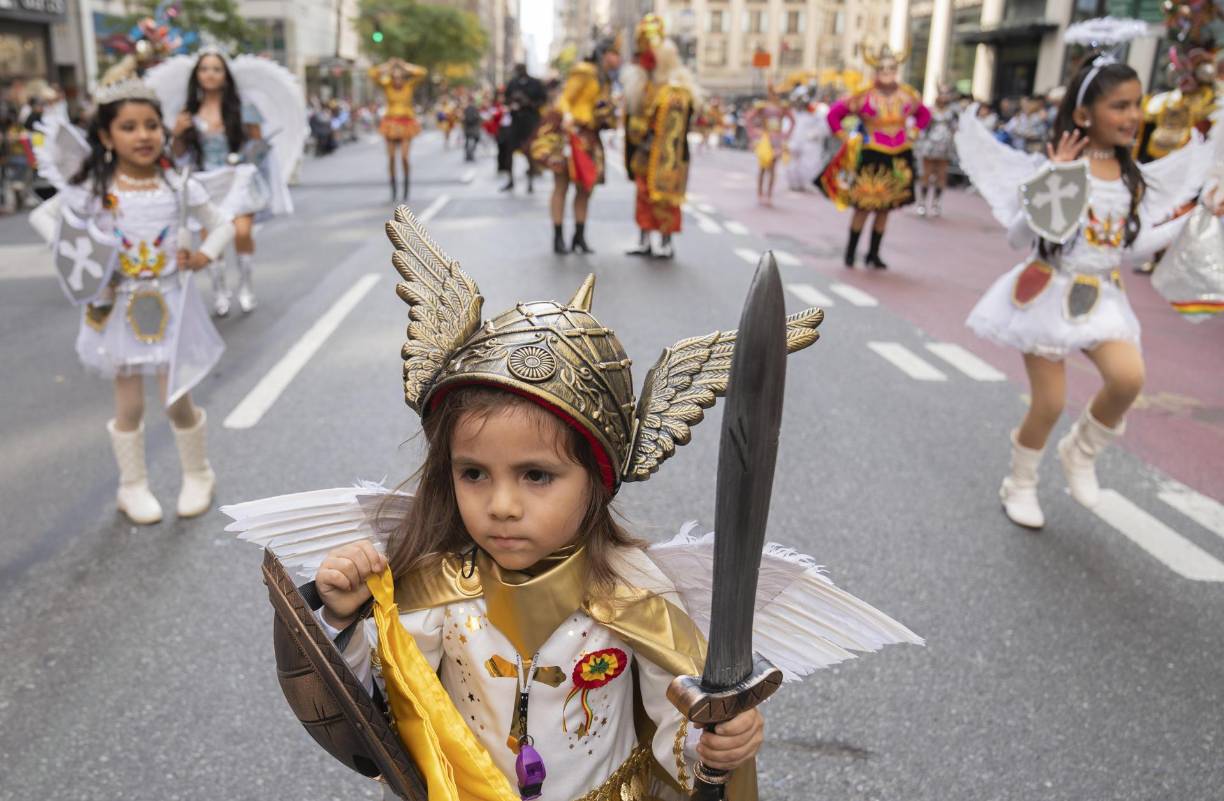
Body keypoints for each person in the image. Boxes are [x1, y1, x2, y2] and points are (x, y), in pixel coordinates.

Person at [224, 208, 922, 801]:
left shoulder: (638, 597)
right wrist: (345, 615)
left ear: (597, 479)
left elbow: (680, 737)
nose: (500, 505)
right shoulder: (438, 589)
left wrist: (717, 743)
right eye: (473, 473)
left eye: (536, 475)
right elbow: (378, 707)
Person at [954, 55, 1220, 529]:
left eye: (1137, 104)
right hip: (1044, 295)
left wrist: (1191, 218)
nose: (1134, 116)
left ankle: (1080, 451)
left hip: (1103, 296)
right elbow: (1018, 238)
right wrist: (1051, 181)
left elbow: (1131, 249)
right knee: (1050, 402)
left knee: (1128, 378)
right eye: (1120, 106)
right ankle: (1021, 483)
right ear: (1084, 115)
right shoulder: (1055, 165)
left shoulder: (1131, 176)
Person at [30, 62, 234, 525]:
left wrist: (202, 256)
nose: (142, 135)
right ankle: (132, 485)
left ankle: (198, 472)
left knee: (175, 396)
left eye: (150, 125)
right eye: (128, 127)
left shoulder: (179, 185)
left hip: (171, 303)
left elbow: (220, 224)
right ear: (106, 137)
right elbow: (48, 219)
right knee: (130, 402)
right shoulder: (94, 188)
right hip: (118, 307)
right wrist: (87, 259)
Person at [165, 50, 268, 316]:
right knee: (212, 238)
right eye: (204, 69)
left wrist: (245, 156)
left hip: (237, 180)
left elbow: (259, 145)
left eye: (216, 69)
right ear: (197, 75)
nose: (210, 74)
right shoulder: (187, 113)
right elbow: (177, 154)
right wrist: (176, 132)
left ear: (225, 75)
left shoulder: (244, 109)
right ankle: (220, 291)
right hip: (205, 182)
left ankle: (246, 286)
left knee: (242, 232)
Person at [818, 43, 930, 269]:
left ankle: (873, 254)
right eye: (883, 69)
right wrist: (846, 138)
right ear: (875, 71)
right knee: (864, 205)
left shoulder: (907, 95)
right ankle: (851, 253)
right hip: (871, 155)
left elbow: (924, 114)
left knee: (886, 207)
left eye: (891, 69)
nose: (887, 74)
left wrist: (914, 131)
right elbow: (834, 115)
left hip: (898, 156)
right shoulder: (863, 96)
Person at [530, 35, 620, 254]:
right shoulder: (584, 71)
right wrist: (567, 118)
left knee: (585, 188)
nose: (618, 58)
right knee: (561, 185)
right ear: (604, 53)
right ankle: (558, 237)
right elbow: (565, 98)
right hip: (571, 134)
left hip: (590, 136)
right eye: (614, 53)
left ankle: (579, 237)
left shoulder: (606, 79)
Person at [623, 18, 700, 259]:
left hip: (669, 155)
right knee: (643, 195)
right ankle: (644, 239)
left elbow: (679, 124)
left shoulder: (677, 89)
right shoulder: (643, 85)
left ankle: (666, 241)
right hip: (645, 152)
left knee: (667, 198)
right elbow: (635, 119)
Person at [369, 58, 426, 201]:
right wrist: (388, 65)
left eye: (400, 77)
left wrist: (405, 66)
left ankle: (406, 185)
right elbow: (372, 73)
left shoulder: (409, 86)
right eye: (394, 76)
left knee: (405, 157)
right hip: (390, 123)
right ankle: (393, 187)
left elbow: (422, 72)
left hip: (406, 123)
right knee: (392, 157)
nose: (397, 80)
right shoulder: (387, 86)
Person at [744, 86, 794, 206]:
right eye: (772, 93)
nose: (774, 96)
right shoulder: (762, 106)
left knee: (773, 168)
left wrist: (786, 135)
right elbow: (749, 118)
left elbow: (793, 121)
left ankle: (769, 195)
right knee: (762, 167)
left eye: (776, 93)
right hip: (765, 141)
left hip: (776, 140)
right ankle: (760, 193)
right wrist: (754, 133)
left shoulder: (782, 107)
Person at [500, 63, 546, 192]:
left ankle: (530, 182)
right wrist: (513, 101)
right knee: (509, 151)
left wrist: (529, 103)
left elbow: (543, 100)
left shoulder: (535, 83)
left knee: (529, 152)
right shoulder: (512, 83)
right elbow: (505, 99)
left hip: (530, 122)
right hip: (515, 122)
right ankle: (510, 180)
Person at [914, 86, 957, 217]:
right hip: (930, 146)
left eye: (946, 94)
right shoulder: (930, 111)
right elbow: (923, 127)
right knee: (926, 174)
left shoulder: (953, 113)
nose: (943, 97)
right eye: (941, 94)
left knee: (941, 175)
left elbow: (955, 128)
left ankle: (936, 203)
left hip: (945, 147)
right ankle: (922, 203)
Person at [785, 92, 830, 192]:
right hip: (794, 143)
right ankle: (794, 183)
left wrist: (814, 134)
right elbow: (786, 127)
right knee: (792, 164)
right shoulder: (792, 113)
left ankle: (807, 183)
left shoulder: (816, 113)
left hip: (809, 144)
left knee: (810, 164)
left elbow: (824, 127)